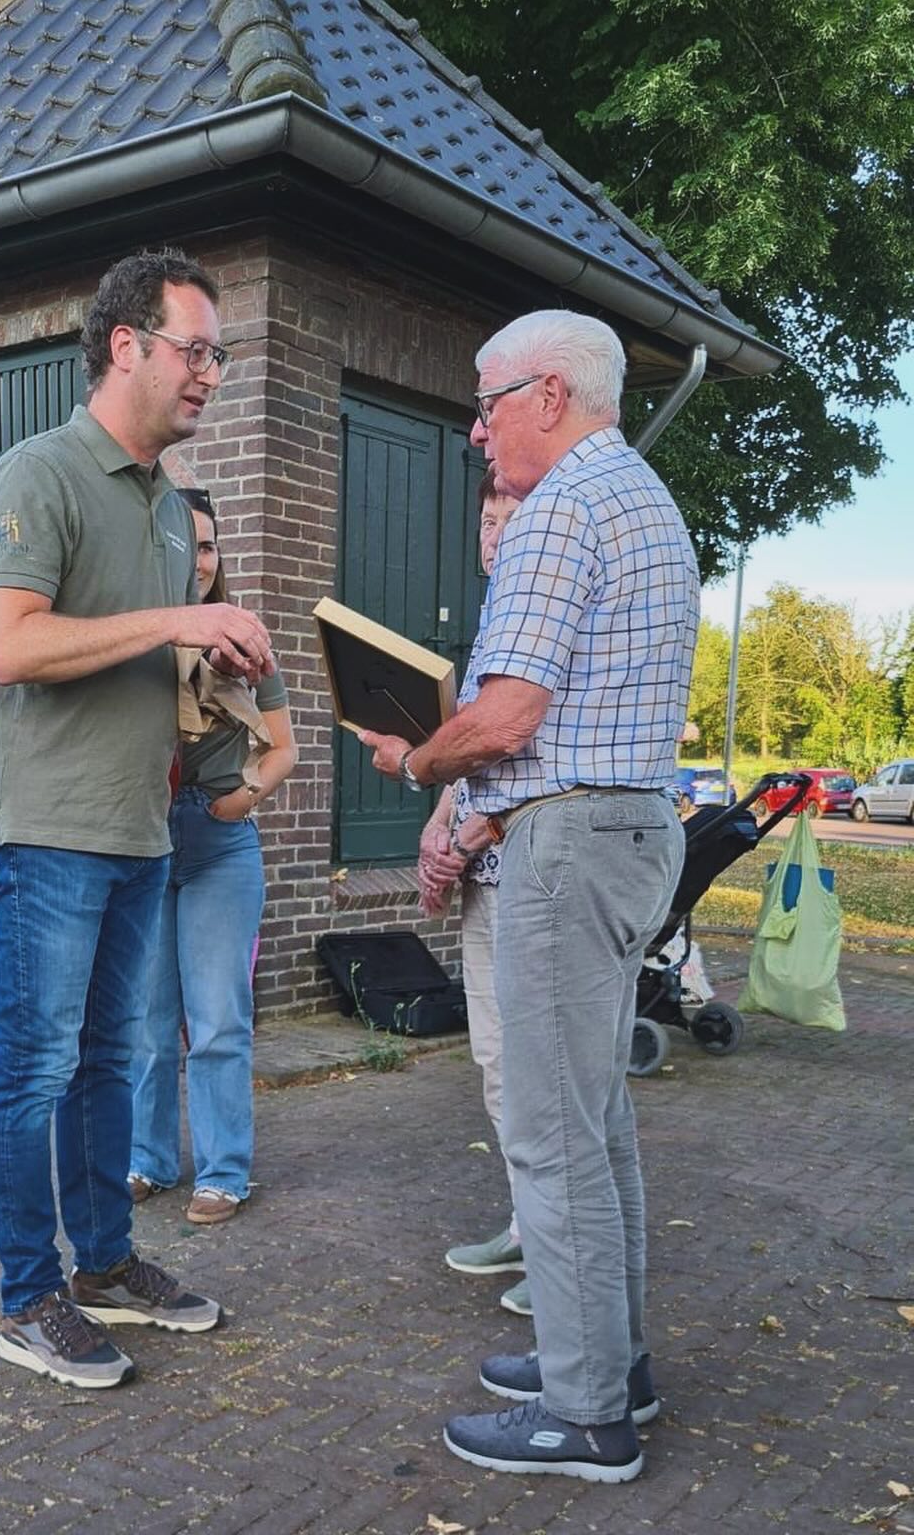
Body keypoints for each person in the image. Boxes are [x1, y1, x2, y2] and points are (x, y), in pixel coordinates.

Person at [359, 308, 699, 1482]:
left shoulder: (562, 507)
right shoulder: (640, 497)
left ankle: (585, 1410)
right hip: (626, 831)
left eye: (486, 401)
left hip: (564, 849)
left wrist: (414, 759)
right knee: (597, 1126)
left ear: (548, 394)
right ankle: (608, 1359)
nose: (474, 428)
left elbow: (511, 716)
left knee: (552, 1141)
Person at [0, 250, 274, 1390]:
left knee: (110, 1058)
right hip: (43, 828)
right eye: (197, 350)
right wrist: (179, 616)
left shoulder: (174, 513)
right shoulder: (37, 473)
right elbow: (13, 647)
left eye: (220, 355)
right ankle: (27, 1295)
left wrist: (223, 666)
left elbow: (151, 663)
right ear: (125, 343)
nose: (212, 375)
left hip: (144, 826)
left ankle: (105, 1264)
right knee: (32, 1064)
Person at [129, 486, 297, 1224]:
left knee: (219, 1018)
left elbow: (286, 748)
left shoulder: (247, 644)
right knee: (147, 1018)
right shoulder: (134, 635)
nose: (197, 559)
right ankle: (149, 1158)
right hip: (144, 837)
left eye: (208, 544)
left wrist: (241, 797)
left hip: (219, 842)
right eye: (183, 542)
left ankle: (224, 1171)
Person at [418, 472, 527, 1293]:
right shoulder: (494, 624)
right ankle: (532, 1226)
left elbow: (551, 762)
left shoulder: (554, 619)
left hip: (538, 879)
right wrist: (440, 819)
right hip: (487, 884)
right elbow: (479, 754)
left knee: (544, 1071)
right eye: (485, 518)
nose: (492, 533)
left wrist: (474, 829)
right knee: (495, 1060)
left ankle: (562, 1261)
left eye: (510, 517)